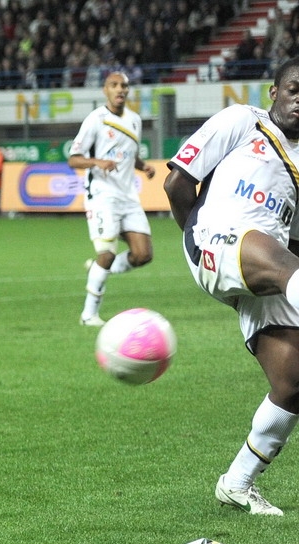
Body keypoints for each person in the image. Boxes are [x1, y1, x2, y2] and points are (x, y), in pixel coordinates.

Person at [163, 56, 299, 517]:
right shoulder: (243, 120)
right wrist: (197, 238)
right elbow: (177, 184)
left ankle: (238, 482)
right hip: (216, 239)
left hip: (269, 263)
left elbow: (294, 241)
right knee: (279, 260)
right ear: (274, 92)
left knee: (293, 383)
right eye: (295, 89)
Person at [68, 71, 155, 327]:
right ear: (105, 90)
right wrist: (97, 162)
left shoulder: (135, 120)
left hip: (128, 196)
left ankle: (99, 268)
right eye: (114, 85)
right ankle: (89, 315)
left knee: (143, 255)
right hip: (102, 195)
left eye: (124, 86)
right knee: (106, 253)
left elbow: (128, 154)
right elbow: (74, 159)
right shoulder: (96, 119)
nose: (120, 90)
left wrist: (143, 166)